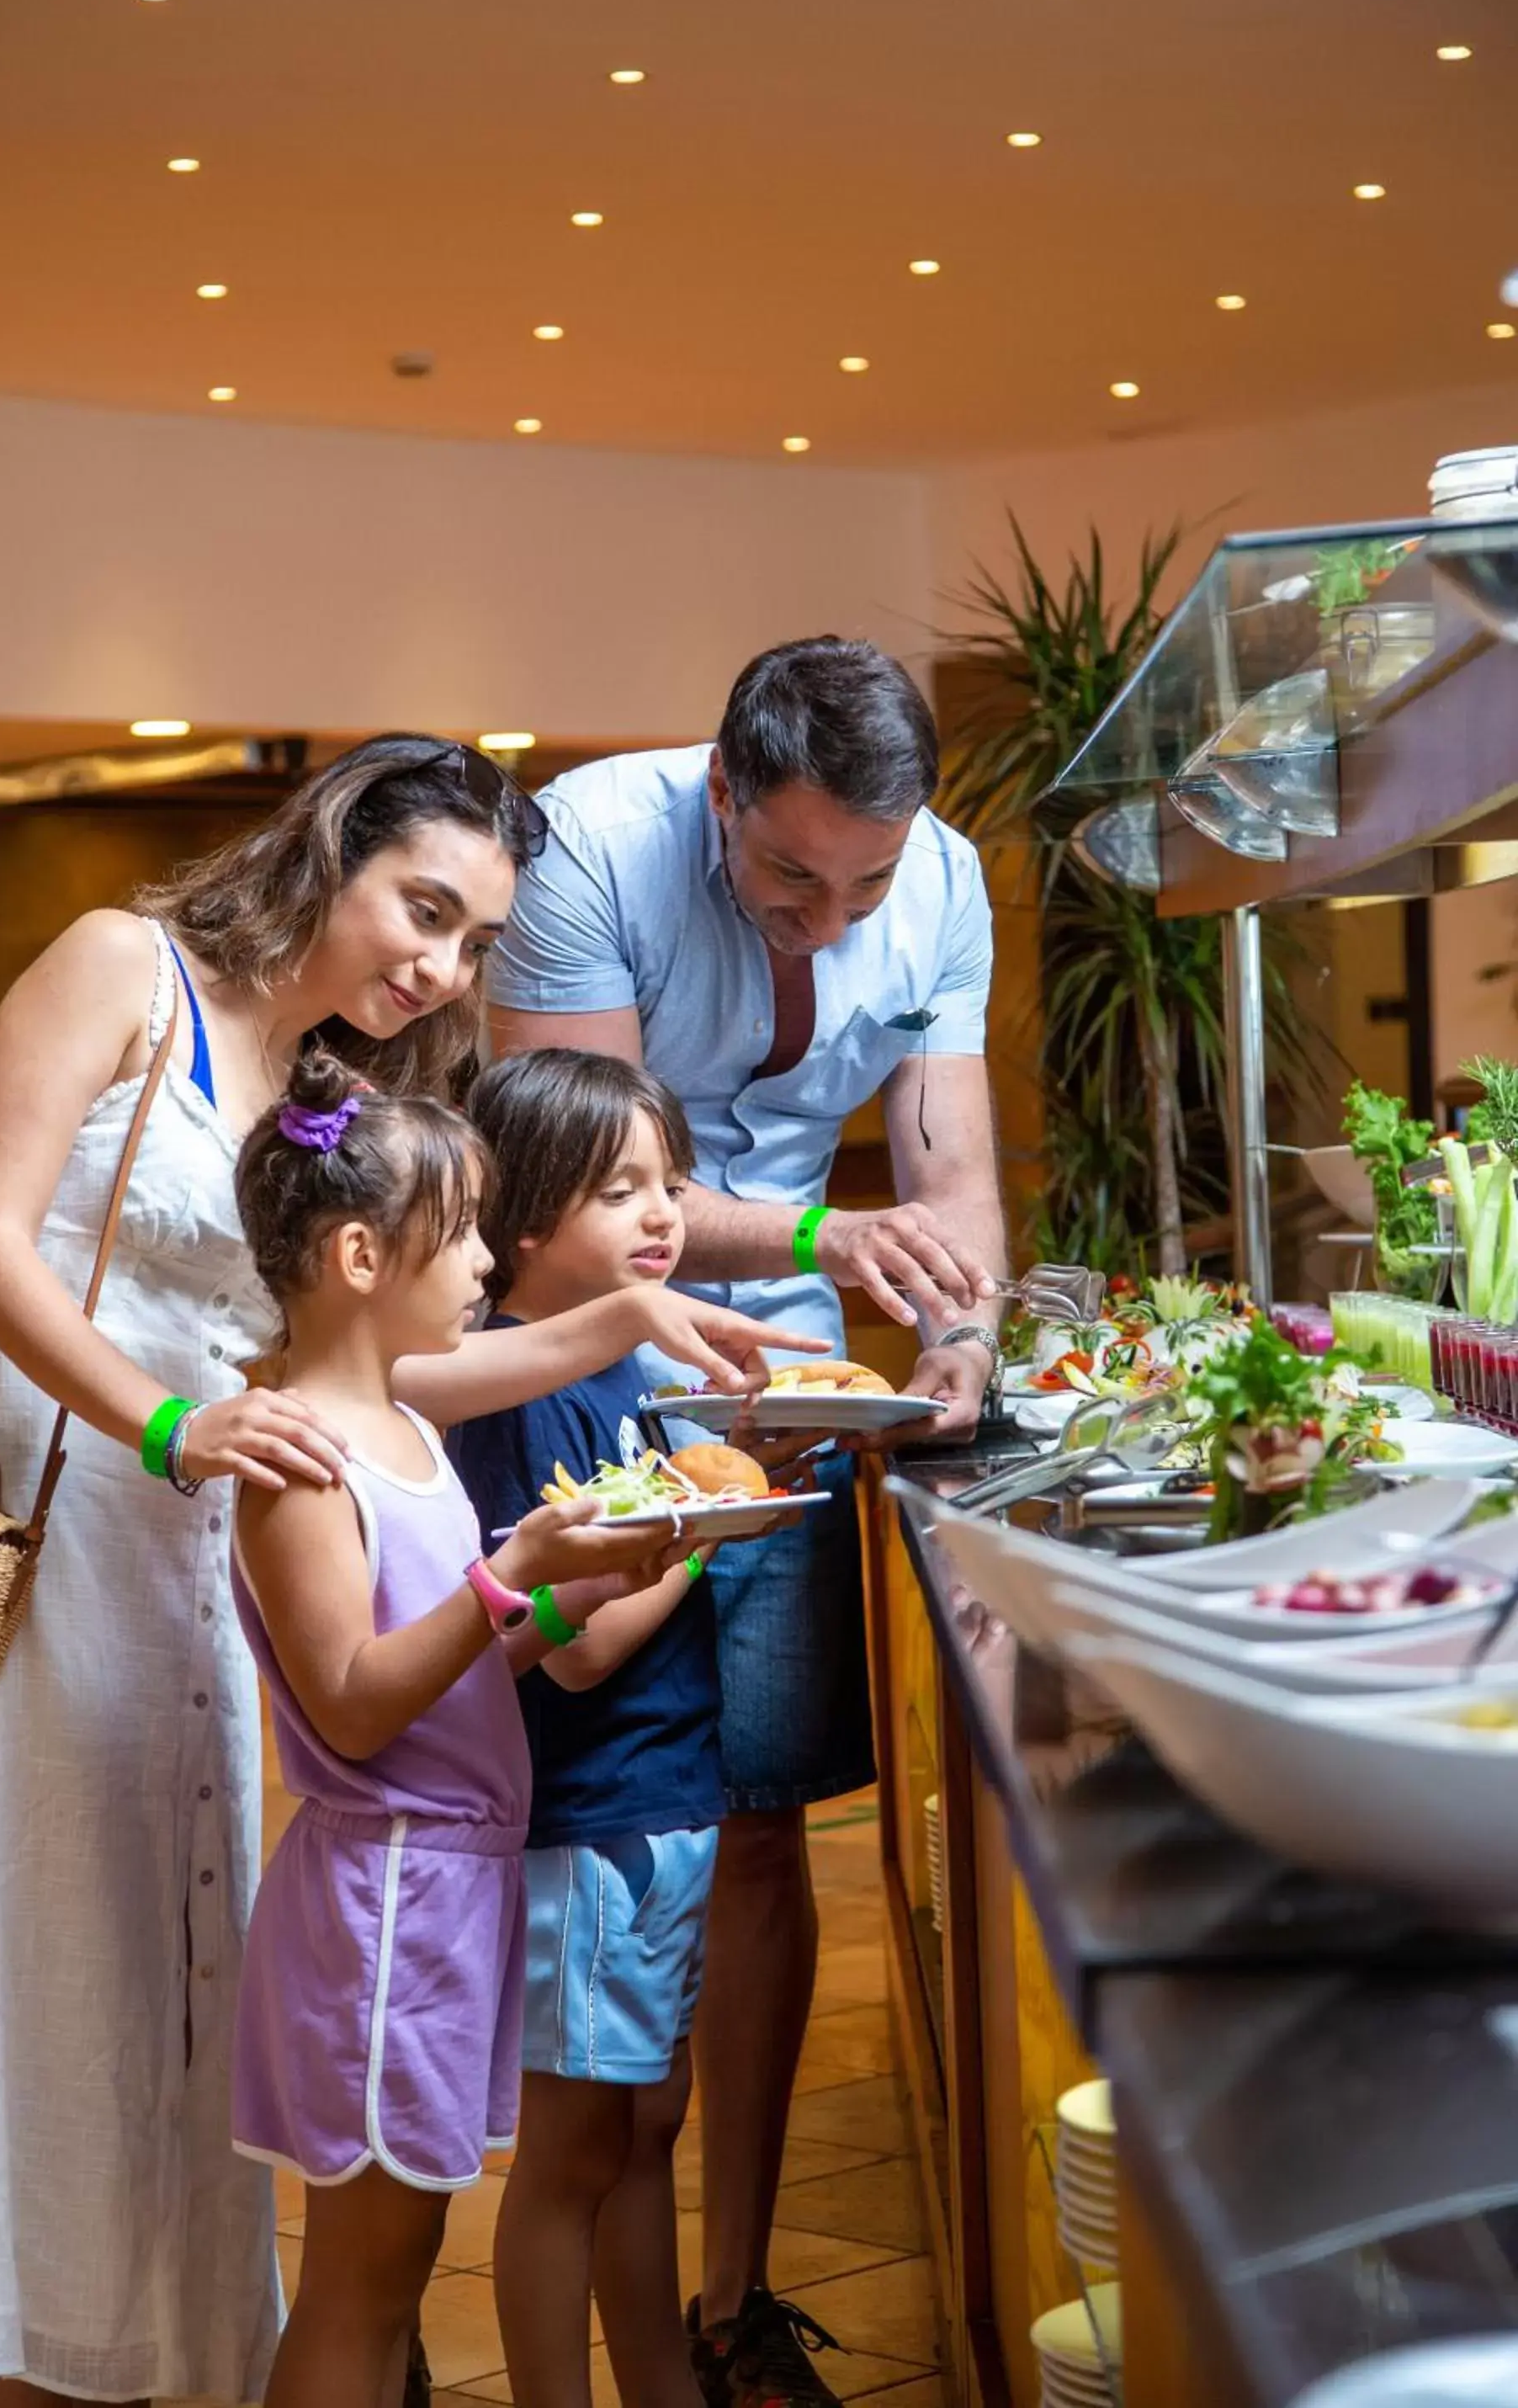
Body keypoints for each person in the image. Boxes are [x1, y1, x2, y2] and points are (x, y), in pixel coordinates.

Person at [0, 734, 820, 2408]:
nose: (436, 965)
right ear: (331, 851)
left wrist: (617, 1323)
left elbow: (347, 1385)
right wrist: (163, 1427)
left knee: (166, 1982)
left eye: (474, 942)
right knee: (32, 1951)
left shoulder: (333, 1094)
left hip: (209, 1564)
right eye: (420, 908)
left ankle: (125, 2350)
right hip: (58, 1547)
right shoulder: (117, 967)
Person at [486, 639, 1008, 2405]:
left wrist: (957, 1344)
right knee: (621, 1808)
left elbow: (950, 1177)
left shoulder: (937, 881)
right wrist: (811, 1244)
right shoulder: (583, 844)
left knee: (770, 1829)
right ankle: (584, 2225)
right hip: (599, 1361)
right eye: (792, 874)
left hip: (800, 1388)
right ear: (720, 797)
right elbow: (573, 1198)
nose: (834, 914)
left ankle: (733, 2293)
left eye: (867, 879)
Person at [228, 1052, 684, 2408]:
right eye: (466, 1227)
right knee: (362, 2282)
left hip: (442, 1891)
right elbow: (358, 1705)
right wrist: (511, 1577)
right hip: (383, 1899)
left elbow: (462, 1662)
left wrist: (561, 1597)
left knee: (405, 2257)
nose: (487, 1257)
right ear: (364, 1253)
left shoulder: (404, 1423)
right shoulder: (308, 1455)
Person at [450, 1050, 725, 2408]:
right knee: (570, 2149)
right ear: (523, 1221)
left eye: (666, 1180)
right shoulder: (510, 1391)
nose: (661, 1212)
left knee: (647, 2121)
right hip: (590, 1822)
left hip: (660, 1797)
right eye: (620, 1190)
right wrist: (714, 1523)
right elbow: (576, 1645)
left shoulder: (627, 1365)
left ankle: (661, 2385)